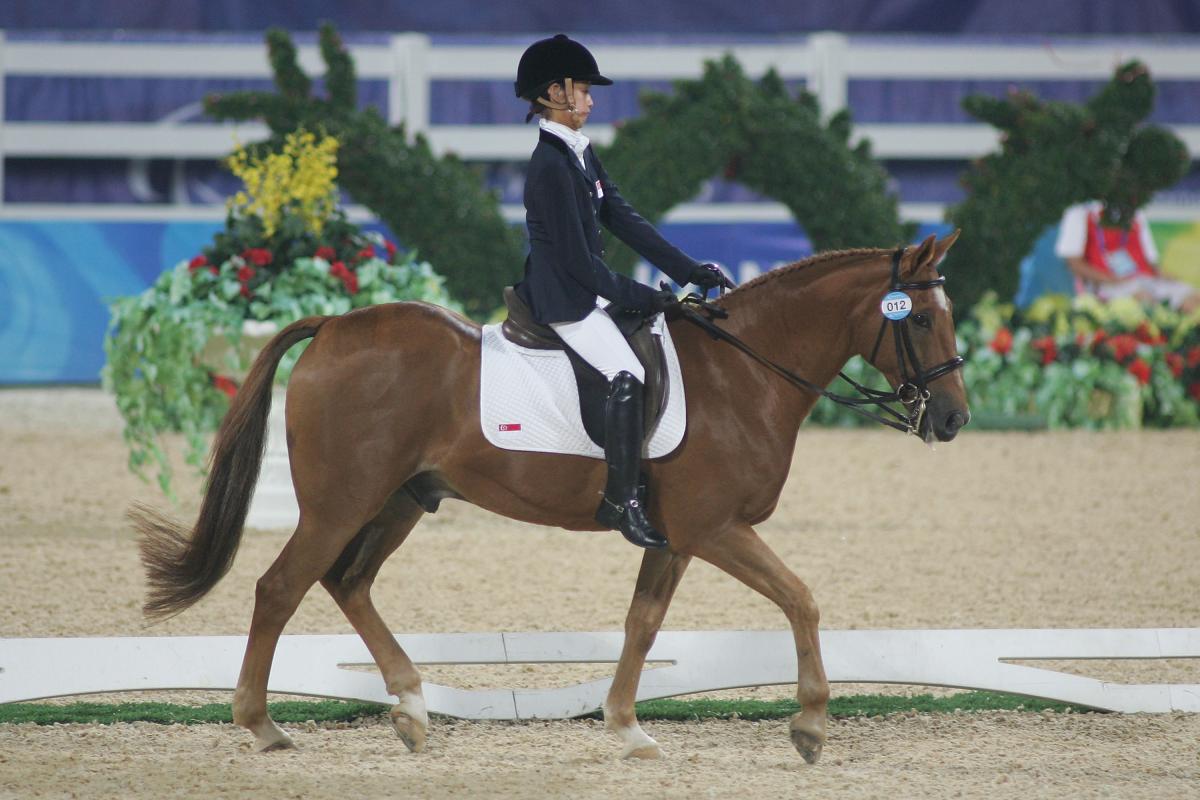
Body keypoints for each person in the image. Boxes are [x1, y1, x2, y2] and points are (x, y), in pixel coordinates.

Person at [512, 34, 732, 549]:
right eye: (584, 91)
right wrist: (647, 297)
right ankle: (620, 500)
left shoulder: (579, 152)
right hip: (563, 298)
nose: (591, 101)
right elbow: (577, 264)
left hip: (583, 289)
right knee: (626, 374)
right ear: (555, 93)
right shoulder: (549, 165)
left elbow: (622, 217)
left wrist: (688, 270)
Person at [1055, 200, 1200, 313]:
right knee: (1144, 300)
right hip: (1107, 284)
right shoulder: (1080, 210)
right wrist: (1110, 279)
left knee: (1194, 298)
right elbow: (1074, 264)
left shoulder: (1134, 210)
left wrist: (1165, 276)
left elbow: (1151, 262)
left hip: (1143, 278)